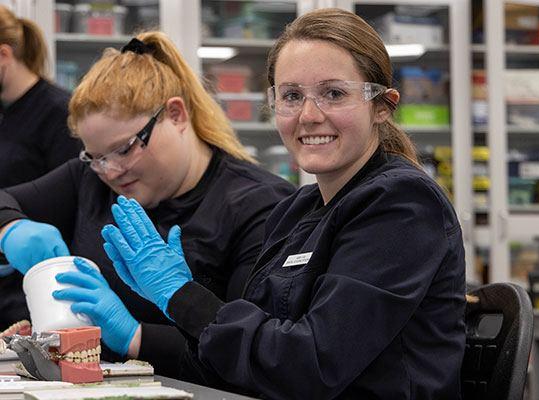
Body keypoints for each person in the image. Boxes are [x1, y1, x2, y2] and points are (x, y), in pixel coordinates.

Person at [73, 9, 465, 398]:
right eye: (292, 96)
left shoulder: (402, 205)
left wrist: (183, 296)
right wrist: (166, 309)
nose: (309, 116)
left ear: (382, 105)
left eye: (334, 93)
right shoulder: (296, 211)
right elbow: (248, 365)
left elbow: (309, 366)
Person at [0, 31, 295, 376]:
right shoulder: (91, 179)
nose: (111, 171)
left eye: (125, 149)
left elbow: (256, 357)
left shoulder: (260, 207)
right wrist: (10, 228)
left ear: (176, 114)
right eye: (96, 157)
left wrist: (136, 336)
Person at [0, 5, 81, 330]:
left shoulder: (58, 113)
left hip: (36, 290)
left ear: (4, 55)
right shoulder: (6, 113)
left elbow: (74, 204)